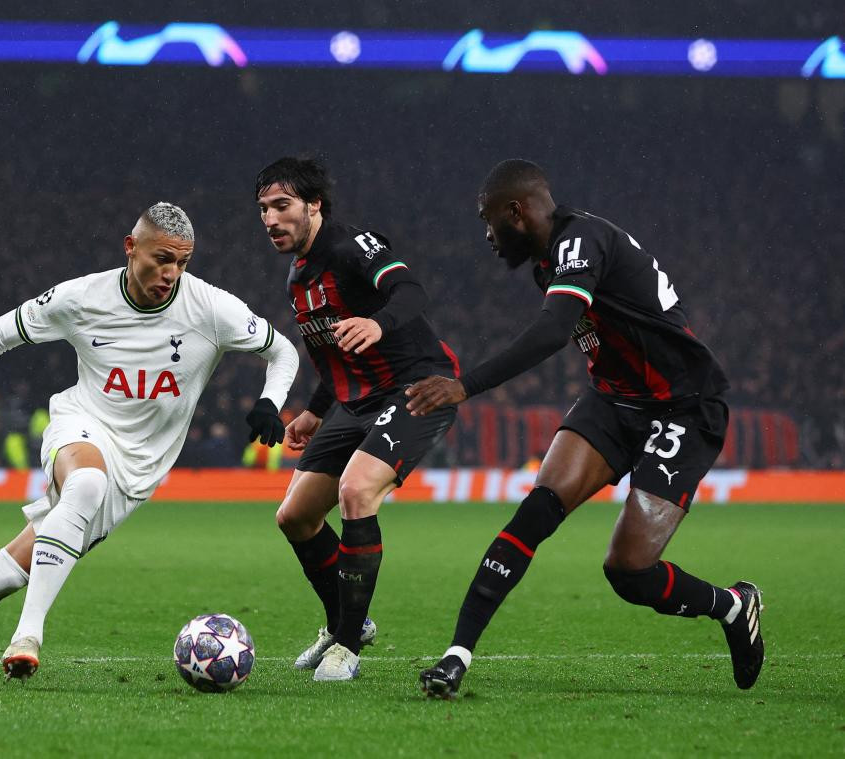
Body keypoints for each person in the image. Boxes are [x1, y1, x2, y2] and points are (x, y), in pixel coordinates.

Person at [0, 202, 298, 684]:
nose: (172, 273)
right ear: (130, 247)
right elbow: (0, 334)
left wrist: (271, 401)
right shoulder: (82, 298)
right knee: (84, 483)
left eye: (182, 262)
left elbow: (282, 351)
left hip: (139, 471)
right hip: (81, 426)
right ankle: (27, 637)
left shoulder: (211, 308)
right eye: (162, 258)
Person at [407, 159, 764, 698]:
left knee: (629, 571)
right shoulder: (548, 263)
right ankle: (457, 656)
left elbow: (554, 329)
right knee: (535, 511)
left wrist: (467, 384)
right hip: (614, 402)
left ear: (516, 211)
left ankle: (733, 606)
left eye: (488, 220)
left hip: (682, 407)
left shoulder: (583, 240)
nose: (487, 235)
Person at [256, 157, 461, 681]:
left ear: (314, 205)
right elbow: (337, 355)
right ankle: (347, 621)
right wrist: (314, 412)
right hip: (357, 400)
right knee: (295, 516)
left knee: (356, 491)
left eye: (282, 206)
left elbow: (411, 292)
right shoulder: (296, 279)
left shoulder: (353, 247)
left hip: (418, 387)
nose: (271, 219)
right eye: (263, 210)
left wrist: (376, 320)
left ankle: (346, 646)